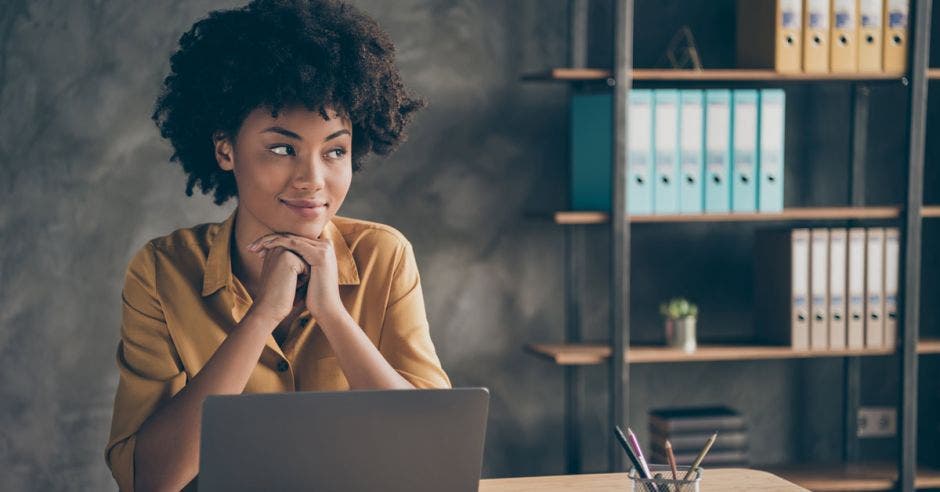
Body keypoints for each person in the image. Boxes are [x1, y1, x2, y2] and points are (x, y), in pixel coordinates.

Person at [105, 1, 450, 490]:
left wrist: (332, 314)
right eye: (283, 149)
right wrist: (262, 315)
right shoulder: (162, 271)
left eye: (335, 151)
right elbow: (149, 480)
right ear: (226, 150)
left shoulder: (384, 256)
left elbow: (434, 454)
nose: (313, 180)